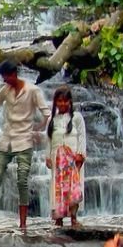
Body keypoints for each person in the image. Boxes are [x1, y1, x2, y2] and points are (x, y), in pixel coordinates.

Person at [0, 61, 51, 230]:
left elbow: (47, 114)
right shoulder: (6, 91)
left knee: (22, 180)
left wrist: (38, 130)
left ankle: (23, 223)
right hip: (6, 140)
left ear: (14, 73)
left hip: (24, 140)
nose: (5, 81)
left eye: (6, 77)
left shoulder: (32, 91)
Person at [46, 86, 87, 227]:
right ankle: (59, 218)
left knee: (74, 187)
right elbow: (49, 139)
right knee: (57, 188)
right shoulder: (52, 119)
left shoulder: (77, 118)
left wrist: (81, 154)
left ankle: (74, 218)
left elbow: (82, 136)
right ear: (55, 102)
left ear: (70, 101)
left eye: (65, 101)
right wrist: (47, 156)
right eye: (59, 101)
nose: (62, 104)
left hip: (73, 158)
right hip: (57, 159)